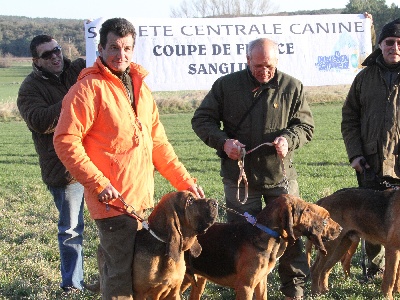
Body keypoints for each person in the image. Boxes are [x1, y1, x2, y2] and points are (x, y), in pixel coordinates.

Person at [53, 17, 203, 299]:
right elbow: (65, 140)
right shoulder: (88, 89)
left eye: (126, 48)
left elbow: (158, 144)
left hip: (142, 203)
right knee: (119, 277)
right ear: (100, 48)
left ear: (133, 50)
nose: (120, 55)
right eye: (113, 47)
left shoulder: (141, 89)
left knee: (137, 273)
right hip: (112, 203)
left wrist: (185, 182)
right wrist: (98, 183)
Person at [191, 38, 314, 300]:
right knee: (241, 240)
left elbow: (306, 126)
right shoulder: (226, 86)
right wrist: (224, 143)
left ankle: (294, 291)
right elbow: (202, 120)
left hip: (280, 179)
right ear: (247, 60)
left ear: (277, 61)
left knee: (290, 240)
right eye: (258, 65)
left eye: (269, 66)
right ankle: (240, 287)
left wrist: (288, 140)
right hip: (240, 180)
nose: (264, 71)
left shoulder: (292, 87)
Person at [16, 35, 86, 293]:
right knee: (71, 230)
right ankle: (73, 286)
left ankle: (112, 280)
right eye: (47, 54)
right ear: (37, 61)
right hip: (65, 170)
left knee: (113, 226)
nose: (56, 56)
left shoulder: (78, 68)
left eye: (57, 50)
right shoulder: (29, 88)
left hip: (99, 162)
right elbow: (40, 121)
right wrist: (74, 97)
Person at [341, 18, 400, 282]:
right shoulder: (364, 78)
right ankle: (375, 269)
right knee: (372, 219)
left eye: (399, 43)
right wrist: (355, 154)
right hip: (371, 163)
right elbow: (349, 118)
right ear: (380, 45)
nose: (394, 47)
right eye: (389, 42)